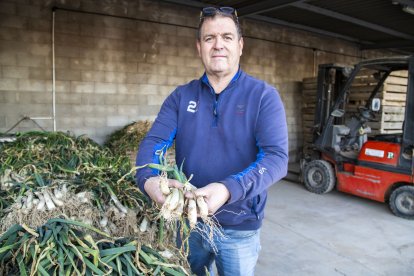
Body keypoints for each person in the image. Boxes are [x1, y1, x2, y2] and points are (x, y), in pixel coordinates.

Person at [136, 6, 288, 275]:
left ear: (240, 46)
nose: (218, 45)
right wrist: (149, 179)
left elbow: (276, 158)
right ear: (199, 47)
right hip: (188, 223)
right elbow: (154, 143)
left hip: (240, 227)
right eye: (209, 38)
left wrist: (228, 189)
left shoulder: (263, 96)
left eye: (227, 37)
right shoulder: (181, 97)